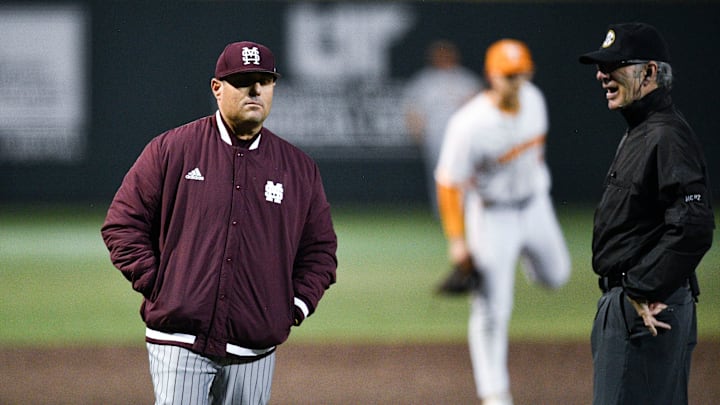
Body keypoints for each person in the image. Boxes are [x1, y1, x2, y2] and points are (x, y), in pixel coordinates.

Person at [101, 41, 338, 405]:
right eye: (243, 80)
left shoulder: (298, 168)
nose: (255, 90)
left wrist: (292, 306)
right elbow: (122, 223)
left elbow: (320, 250)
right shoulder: (173, 150)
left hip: (254, 347)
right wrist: (162, 285)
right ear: (217, 88)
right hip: (179, 340)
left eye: (265, 80)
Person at [579, 22, 714, 404]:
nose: (602, 74)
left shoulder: (666, 135)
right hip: (642, 302)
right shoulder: (644, 131)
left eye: (615, 64)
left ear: (650, 72)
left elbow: (694, 225)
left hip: (645, 311)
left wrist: (641, 286)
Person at [434, 39, 571, 405]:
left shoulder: (536, 101)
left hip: (535, 205)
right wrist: (457, 240)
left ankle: (522, 255)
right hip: (493, 216)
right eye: (509, 75)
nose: (516, 80)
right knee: (493, 308)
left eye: (522, 72)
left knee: (557, 276)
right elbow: (448, 183)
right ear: (492, 75)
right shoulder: (469, 124)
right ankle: (494, 392)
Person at [403, 40, 482, 214]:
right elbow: (412, 109)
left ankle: (470, 210)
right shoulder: (424, 81)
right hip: (436, 135)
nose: (443, 57)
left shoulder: (465, 79)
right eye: (439, 54)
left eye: (446, 53)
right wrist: (416, 131)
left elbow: (481, 106)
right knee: (441, 174)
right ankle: (444, 212)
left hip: (464, 137)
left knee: (468, 173)